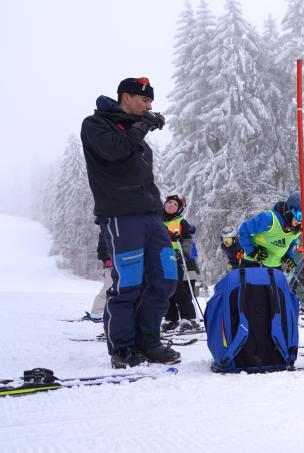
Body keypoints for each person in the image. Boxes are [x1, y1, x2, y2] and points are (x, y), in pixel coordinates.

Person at [80, 76, 180, 368]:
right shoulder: (96, 125)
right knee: (128, 283)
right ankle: (122, 347)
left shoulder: (136, 135)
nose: (149, 106)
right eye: (144, 99)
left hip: (151, 218)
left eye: (151, 101)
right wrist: (143, 125)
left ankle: (148, 341)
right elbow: (114, 150)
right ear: (126, 96)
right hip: (121, 216)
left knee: (165, 279)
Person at [239, 192, 304, 271]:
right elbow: (244, 230)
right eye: (300, 216)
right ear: (290, 210)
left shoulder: (296, 229)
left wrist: (289, 257)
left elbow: (290, 244)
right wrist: (251, 250)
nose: (301, 221)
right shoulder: (269, 220)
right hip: (253, 263)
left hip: (274, 267)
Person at [161, 195, 199, 332]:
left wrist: (184, 254)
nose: (171, 205)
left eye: (175, 205)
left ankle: (189, 317)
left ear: (179, 209)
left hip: (174, 257)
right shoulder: (157, 219)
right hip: (158, 258)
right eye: (169, 202)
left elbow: (188, 241)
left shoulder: (181, 222)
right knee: (165, 290)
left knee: (177, 288)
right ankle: (171, 318)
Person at [86, 233, 112, 322]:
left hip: (123, 264)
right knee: (109, 287)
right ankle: (97, 312)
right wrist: (108, 260)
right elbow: (101, 251)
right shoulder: (107, 230)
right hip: (111, 266)